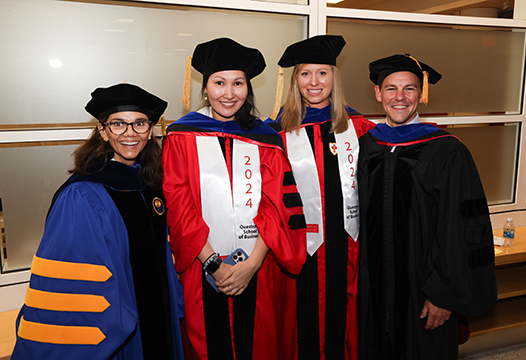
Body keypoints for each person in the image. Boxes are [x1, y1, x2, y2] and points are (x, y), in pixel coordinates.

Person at [11, 83, 185, 360]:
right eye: (118, 124)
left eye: (140, 123)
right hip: (122, 331)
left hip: (158, 319)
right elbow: (75, 284)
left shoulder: (151, 185)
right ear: (103, 131)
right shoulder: (82, 195)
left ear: (150, 130)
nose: (130, 133)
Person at [162, 37, 307, 360]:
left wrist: (251, 265)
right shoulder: (181, 136)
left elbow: (277, 205)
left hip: (259, 267)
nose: (229, 94)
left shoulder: (265, 139)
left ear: (248, 88)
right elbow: (178, 203)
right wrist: (213, 263)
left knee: (258, 345)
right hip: (202, 267)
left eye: (238, 83)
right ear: (204, 87)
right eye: (219, 83)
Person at [357, 54, 498, 360]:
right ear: (378, 94)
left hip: (424, 293)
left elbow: (459, 229)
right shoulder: (369, 145)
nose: (400, 97)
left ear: (421, 94)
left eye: (409, 89)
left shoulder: (447, 149)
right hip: (375, 287)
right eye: (391, 89)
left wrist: (443, 296)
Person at [265, 35, 375, 360]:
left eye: (322, 73)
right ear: (295, 80)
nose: (314, 82)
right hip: (299, 252)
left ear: (334, 78)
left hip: (349, 248)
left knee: (345, 322)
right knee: (302, 326)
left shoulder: (360, 128)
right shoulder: (275, 135)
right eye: (305, 74)